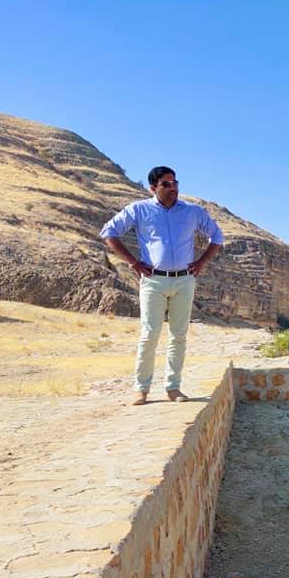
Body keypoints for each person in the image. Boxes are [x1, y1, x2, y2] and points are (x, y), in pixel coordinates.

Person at [101, 166, 223, 405]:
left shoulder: (192, 212)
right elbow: (109, 232)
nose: (173, 187)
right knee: (149, 334)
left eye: (175, 182)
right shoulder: (139, 209)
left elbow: (217, 236)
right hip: (153, 280)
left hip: (184, 280)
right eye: (166, 184)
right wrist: (133, 262)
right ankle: (141, 389)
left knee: (179, 335)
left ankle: (173, 388)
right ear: (153, 188)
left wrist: (202, 262)